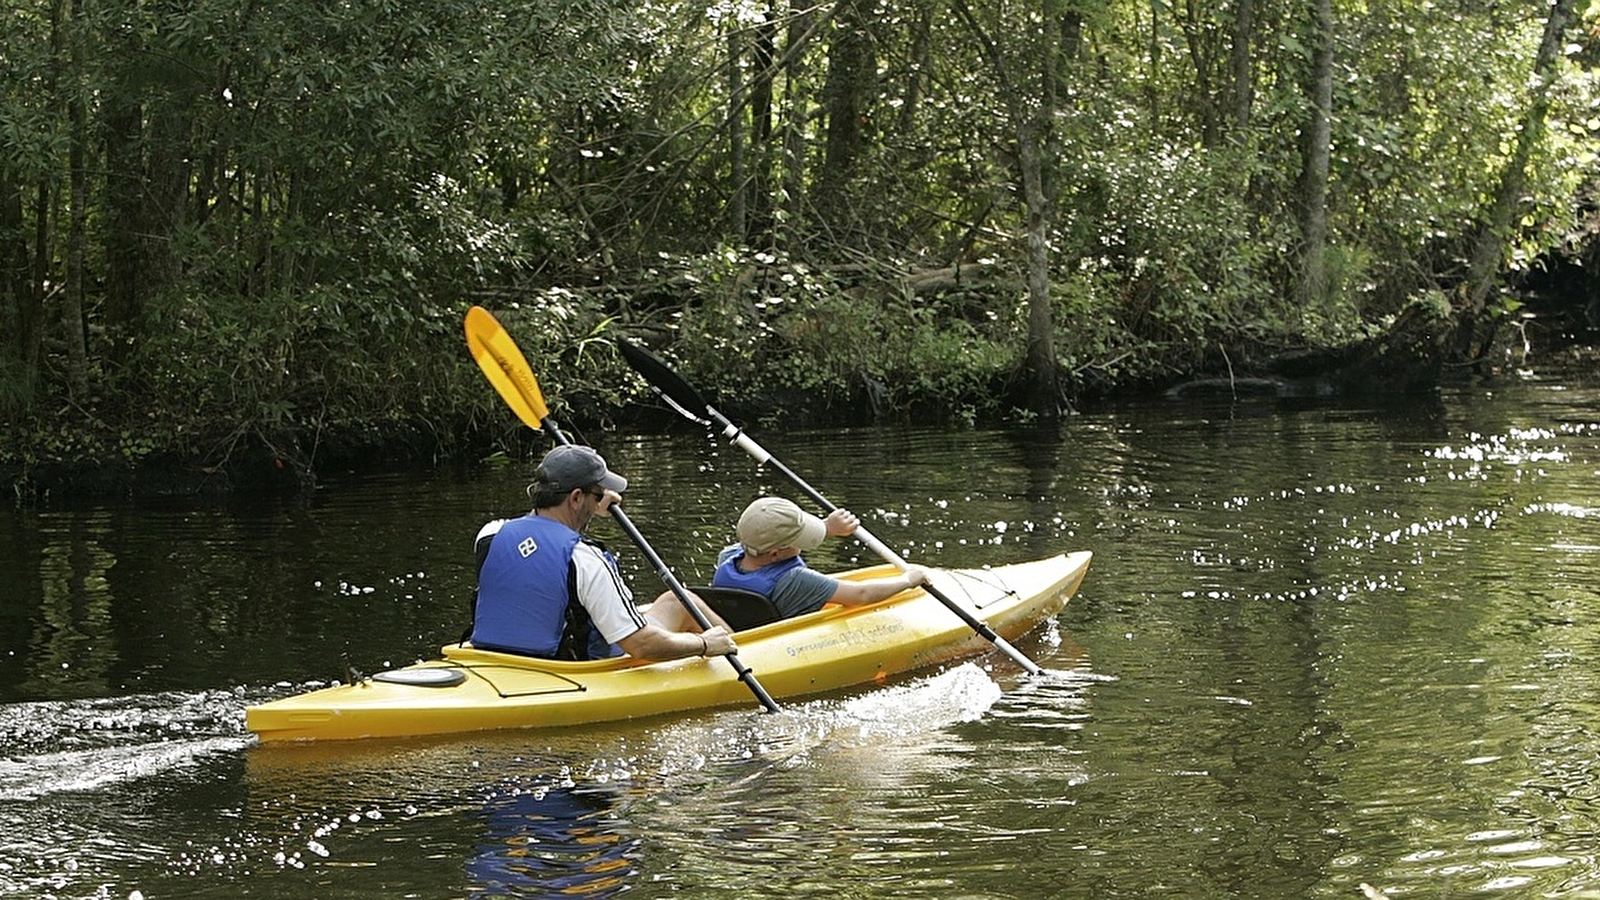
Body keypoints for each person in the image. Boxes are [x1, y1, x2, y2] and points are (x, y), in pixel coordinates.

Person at [469, 444, 736, 661]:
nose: (600, 501)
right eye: (597, 495)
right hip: (577, 669)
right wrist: (702, 644)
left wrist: (590, 507)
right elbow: (641, 645)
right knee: (679, 601)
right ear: (575, 498)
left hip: (498, 661)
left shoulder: (490, 535)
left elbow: (541, 549)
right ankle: (742, 653)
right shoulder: (585, 558)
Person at [710, 497, 928, 619]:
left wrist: (827, 527)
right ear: (776, 553)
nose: (804, 544)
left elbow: (764, 540)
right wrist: (908, 580)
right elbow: (862, 594)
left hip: (743, 627)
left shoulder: (728, 557)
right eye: (799, 539)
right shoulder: (797, 580)